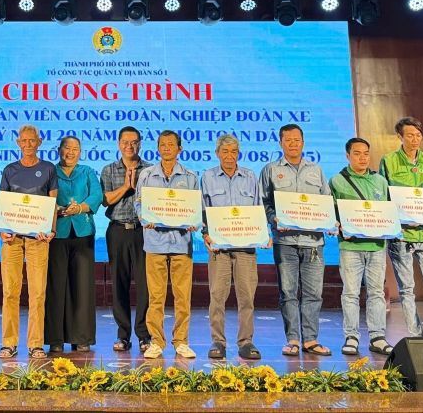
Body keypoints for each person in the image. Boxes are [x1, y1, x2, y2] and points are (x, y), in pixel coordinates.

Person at [260, 123, 333, 357]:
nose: (293, 144)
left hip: (313, 243)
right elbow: (264, 203)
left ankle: (310, 339)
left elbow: (326, 202)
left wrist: (330, 221)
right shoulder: (270, 170)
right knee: (288, 292)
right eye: (288, 140)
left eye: (297, 140)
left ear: (303, 142)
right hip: (285, 241)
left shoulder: (316, 170)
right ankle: (292, 339)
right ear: (281, 143)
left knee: (313, 294)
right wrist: (274, 219)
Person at [134, 130, 199, 360]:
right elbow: (138, 203)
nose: (167, 148)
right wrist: (145, 218)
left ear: (179, 149)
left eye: (171, 144)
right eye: (163, 144)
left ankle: (181, 341)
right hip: (154, 243)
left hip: (181, 243)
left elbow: (196, 208)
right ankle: (156, 341)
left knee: (183, 296)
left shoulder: (190, 177)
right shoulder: (147, 175)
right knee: (156, 296)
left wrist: (194, 222)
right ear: (158, 148)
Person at [200, 134, 263, 360]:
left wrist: (262, 234)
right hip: (219, 248)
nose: (229, 156)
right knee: (217, 296)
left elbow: (258, 209)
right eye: (224, 152)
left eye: (233, 152)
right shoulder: (207, 177)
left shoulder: (250, 177)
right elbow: (202, 210)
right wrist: (205, 234)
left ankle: (246, 342)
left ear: (239, 154)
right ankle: (218, 341)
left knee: (246, 297)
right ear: (217, 154)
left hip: (246, 248)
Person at [0, 124, 57, 359]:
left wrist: (51, 230)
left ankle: (35, 344)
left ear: (39, 142)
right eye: (24, 141)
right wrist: (2, 231)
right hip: (12, 240)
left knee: (37, 293)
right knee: (10, 292)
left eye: (32, 140)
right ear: (18, 143)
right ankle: (9, 343)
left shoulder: (48, 169)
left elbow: (52, 202)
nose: (28, 144)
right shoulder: (9, 170)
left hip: (38, 240)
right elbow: (4, 204)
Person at [379, 117, 423, 337]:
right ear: (400, 137)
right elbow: (383, 195)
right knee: (406, 289)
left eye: (418, 135)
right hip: (401, 236)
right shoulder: (388, 161)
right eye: (409, 135)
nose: (415, 140)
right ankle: (415, 334)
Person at [330, 137, 393, 356]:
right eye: (357, 153)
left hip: (376, 246)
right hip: (350, 247)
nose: (362, 157)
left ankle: (378, 336)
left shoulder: (380, 181)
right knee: (350, 293)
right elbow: (332, 213)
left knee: (376, 292)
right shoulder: (337, 181)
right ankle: (352, 337)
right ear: (347, 156)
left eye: (366, 153)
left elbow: (388, 212)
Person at [45, 136, 102, 354]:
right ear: (59, 150)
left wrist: (80, 208)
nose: (71, 152)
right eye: (67, 148)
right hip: (56, 233)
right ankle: (55, 339)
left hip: (82, 232)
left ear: (80, 152)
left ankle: (82, 337)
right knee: (56, 287)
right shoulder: (50, 171)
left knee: (83, 287)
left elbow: (96, 194)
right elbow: (43, 196)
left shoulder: (87, 171)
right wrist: (57, 209)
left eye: (75, 149)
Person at [100, 126, 152, 353]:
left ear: (140, 144)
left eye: (134, 142)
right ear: (118, 144)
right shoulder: (109, 170)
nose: (129, 146)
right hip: (118, 231)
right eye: (125, 142)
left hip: (143, 232)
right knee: (118, 284)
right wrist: (126, 187)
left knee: (145, 285)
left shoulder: (151, 171)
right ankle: (123, 335)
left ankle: (144, 335)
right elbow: (105, 200)